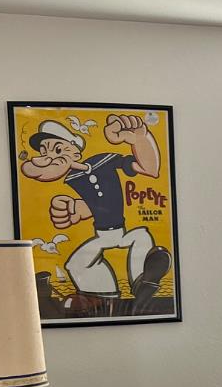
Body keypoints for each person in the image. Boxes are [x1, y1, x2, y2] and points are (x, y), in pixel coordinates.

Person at [19, 114, 170, 311]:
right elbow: (92, 204)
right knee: (76, 264)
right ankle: (100, 296)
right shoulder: (73, 178)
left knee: (141, 236)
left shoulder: (104, 160)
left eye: (57, 149)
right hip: (102, 234)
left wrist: (140, 139)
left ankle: (144, 282)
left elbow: (150, 169)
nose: (50, 157)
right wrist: (73, 209)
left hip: (122, 230)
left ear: (75, 149)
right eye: (44, 151)